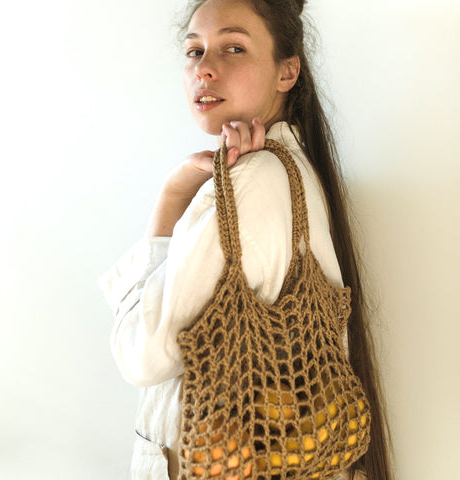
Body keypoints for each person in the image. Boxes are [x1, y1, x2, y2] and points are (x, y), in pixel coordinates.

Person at [99, 0, 393, 479]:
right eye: (194, 51)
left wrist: (172, 193)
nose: (205, 70)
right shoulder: (293, 167)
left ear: (287, 71)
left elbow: (142, 354)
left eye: (233, 48)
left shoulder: (250, 182)